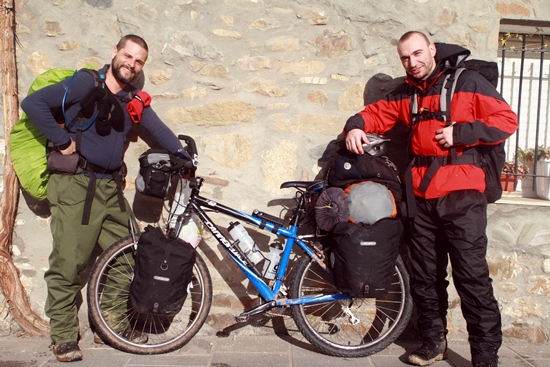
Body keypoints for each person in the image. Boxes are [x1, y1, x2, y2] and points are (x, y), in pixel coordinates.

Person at [344, 31, 517, 367]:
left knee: (472, 276)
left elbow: (506, 120)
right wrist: (354, 126)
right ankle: (433, 344)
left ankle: (485, 355)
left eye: (418, 54)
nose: (413, 62)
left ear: (432, 50)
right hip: (421, 195)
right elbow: (374, 114)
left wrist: (461, 133)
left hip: (463, 194)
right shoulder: (407, 93)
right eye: (406, 58)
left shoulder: (467, 82)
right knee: (426, 276)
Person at [21, 35, 190, 362]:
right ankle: (65, 337)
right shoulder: (85, 83)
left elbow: (159, 129)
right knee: (69, 263)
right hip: (76, 186)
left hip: (110, 188)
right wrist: (61, 141)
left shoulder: (132, 99)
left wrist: (183, 155)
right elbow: (34, 104)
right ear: (115, 53)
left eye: (139, 61)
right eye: (128, 56)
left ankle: (109, 324)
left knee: (127, 256)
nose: (132, 64)